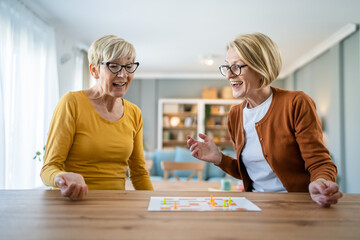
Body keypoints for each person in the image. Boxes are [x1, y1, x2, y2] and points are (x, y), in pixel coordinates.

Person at [187, 32, 342, 207]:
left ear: (261, 68)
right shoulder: (235, 115)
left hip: (296, 206)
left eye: (236, 67)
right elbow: (250, 172)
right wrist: (219, 158)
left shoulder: (296, 103)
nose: (229, 75)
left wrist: (320, 181)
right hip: (253, 205)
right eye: (226, 67)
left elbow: (319, 161)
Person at [41, 35, 153, 200]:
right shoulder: (72, 103)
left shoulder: (134, 113)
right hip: (73, 205)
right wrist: (61, 178)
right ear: (94, 70)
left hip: (115, 206)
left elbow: (139, 173)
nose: (123, 74)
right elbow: (49, 168)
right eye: (114, 66)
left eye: (129, 66)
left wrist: (157, 205)